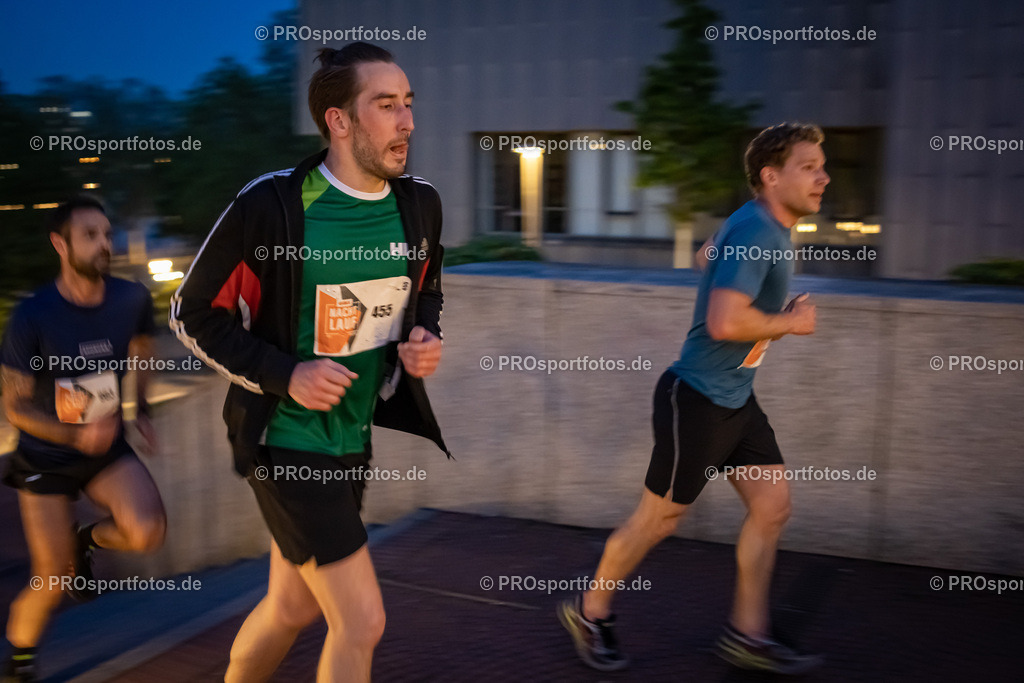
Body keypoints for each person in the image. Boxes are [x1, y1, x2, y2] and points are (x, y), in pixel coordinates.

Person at [169, 41, 448, 683]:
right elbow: (191, 312)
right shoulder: (271, 207)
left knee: (291, 604)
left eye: (408, 104)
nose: (407, 121)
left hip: (352, 436)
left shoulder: (420, 205)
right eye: (386, 105)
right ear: (339, 121)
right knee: (362, 622)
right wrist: (285, 373)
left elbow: (428, 287)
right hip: (284, 438)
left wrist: (423, 337)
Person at [559, 123, 828, 674]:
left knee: (772, 508)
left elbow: (707, 256)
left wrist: (724, 259)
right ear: (771, 177)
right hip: (698, 400)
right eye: (809, 166)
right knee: (659, 520)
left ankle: (747, 635)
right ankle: (590, 611)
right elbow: (725, 320)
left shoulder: (754, 222)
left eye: (822, 166)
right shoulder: (758, 230)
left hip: (736, 398)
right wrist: (792, 323)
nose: (823, 176)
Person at [1, 196, 166, 683]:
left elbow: (143, 347)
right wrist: (74, 433)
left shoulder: (130, 298)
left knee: (147, 531)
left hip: (104, 446)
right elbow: (14, 407)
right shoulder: (32, 315)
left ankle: (86, 540)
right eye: (90, 236)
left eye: (108, 235)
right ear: (60, 243)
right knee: (50, 579)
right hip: (47, 456)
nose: (104, 245)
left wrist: (144, 410)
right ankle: (21, 660)